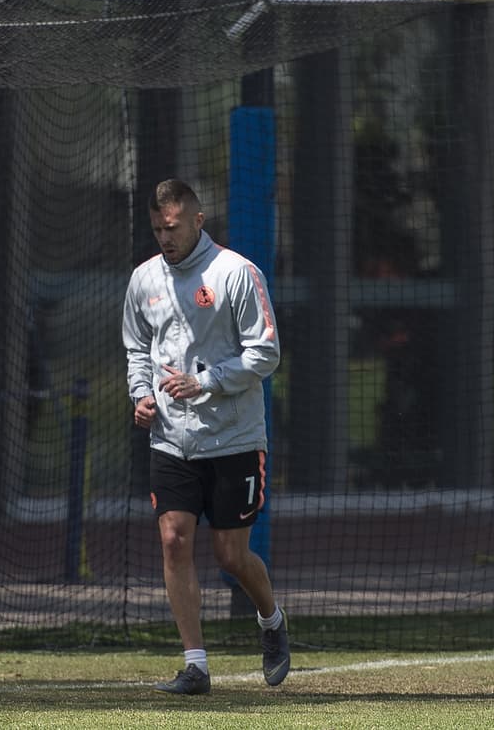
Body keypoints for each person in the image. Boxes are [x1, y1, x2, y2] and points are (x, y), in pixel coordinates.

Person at [122, 179, 288, 695]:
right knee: (173, 540)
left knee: (231, 557)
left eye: (171, 228)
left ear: (197, 220)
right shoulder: (143, 279)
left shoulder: (236, 273)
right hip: (171, 440)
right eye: (156, 229)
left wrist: (206, 382)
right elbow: (135, 348)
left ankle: (272, 621)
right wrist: (141, 394)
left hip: (233, 438)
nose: (163, 238)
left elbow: (266, 353)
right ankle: (196, 665)